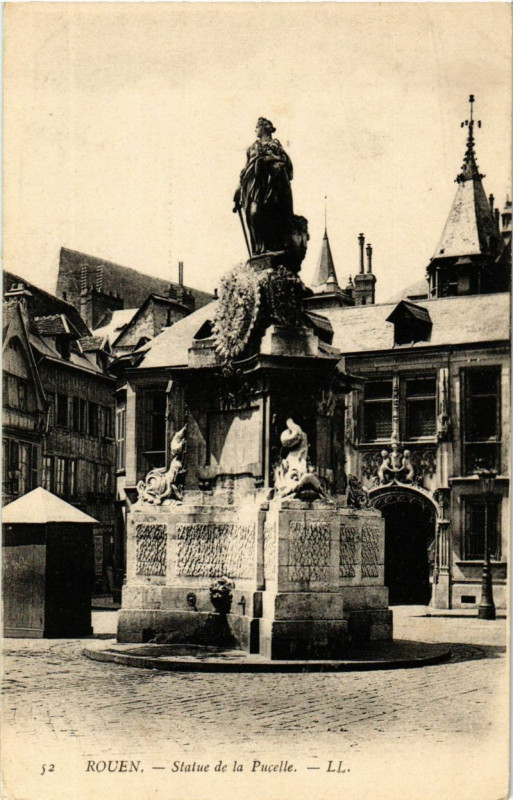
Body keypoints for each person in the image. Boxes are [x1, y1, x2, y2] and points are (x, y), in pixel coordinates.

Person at [234, 118, 294, 255]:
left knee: (269, 215)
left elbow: (284, 163)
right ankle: (259, 250)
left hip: (271, 186)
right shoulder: (252, 148)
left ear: (265, 128)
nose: (255, 130)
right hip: (253, 187)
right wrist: (238, 189)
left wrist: (269, 160)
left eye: (257, 127)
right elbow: (245, 170)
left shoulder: (275, 145)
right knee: (254, 213)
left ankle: (271, 247)